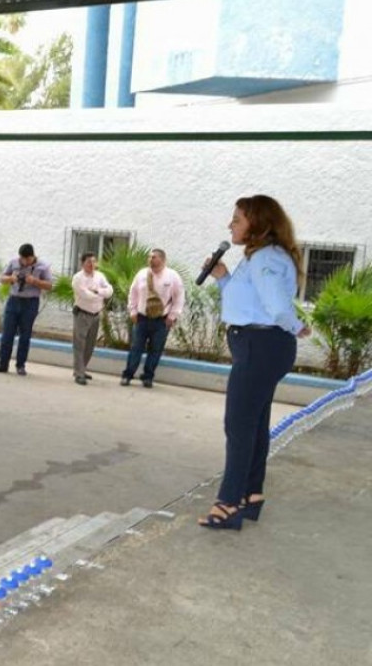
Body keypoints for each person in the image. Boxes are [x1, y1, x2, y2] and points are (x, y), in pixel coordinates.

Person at [198, 195, 310, 531]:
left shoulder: (264, 259)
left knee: (238, 426)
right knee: (254, 424)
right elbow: (247, 301)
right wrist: (221, 276)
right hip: (259, 344)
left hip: (260, 345)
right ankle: (250, 494)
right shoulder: (260, 257)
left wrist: (296, 326)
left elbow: (275, 306)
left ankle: (229, 503)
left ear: (257, 224)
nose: (230, 225)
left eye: (237, 219)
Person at [122, 248, 184, 388]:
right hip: (142, 318)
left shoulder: (172, 276)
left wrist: (172, 316)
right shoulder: (142, 274)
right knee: (136, 348)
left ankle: (148, 377)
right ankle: (128, 375)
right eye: (149, 257)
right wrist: (132, 311)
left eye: (154, 257)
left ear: (162, 259)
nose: (151, 259)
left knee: (156, 349)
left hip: (161, 320)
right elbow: (133, 293)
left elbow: (179, 298)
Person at [0, 244, 53, 377]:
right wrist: (10, 279)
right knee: (7, 334)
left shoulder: (43, 266)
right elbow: (1, 278)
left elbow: (49, 285)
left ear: (33, 257)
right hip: (14, 300)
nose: (24, 262)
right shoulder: (13, 262)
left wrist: (35, 281)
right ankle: (3, 364)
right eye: (22, 260)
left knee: (25, 335)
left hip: (30, 303)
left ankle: (20, 365)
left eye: (27, 260)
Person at [70, 253, 114, 385]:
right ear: (82, 263)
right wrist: (100, 293)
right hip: (82, 314)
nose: (92, 265)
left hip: (96, 314)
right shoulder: (78, 278)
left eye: (94, 262)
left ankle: (82, 369)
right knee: (79, 344)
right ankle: (79, 373)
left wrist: (97, 291)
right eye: (89, 262)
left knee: (90, 344)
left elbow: (110, 290)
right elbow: (85, 295)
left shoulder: (100, 276)